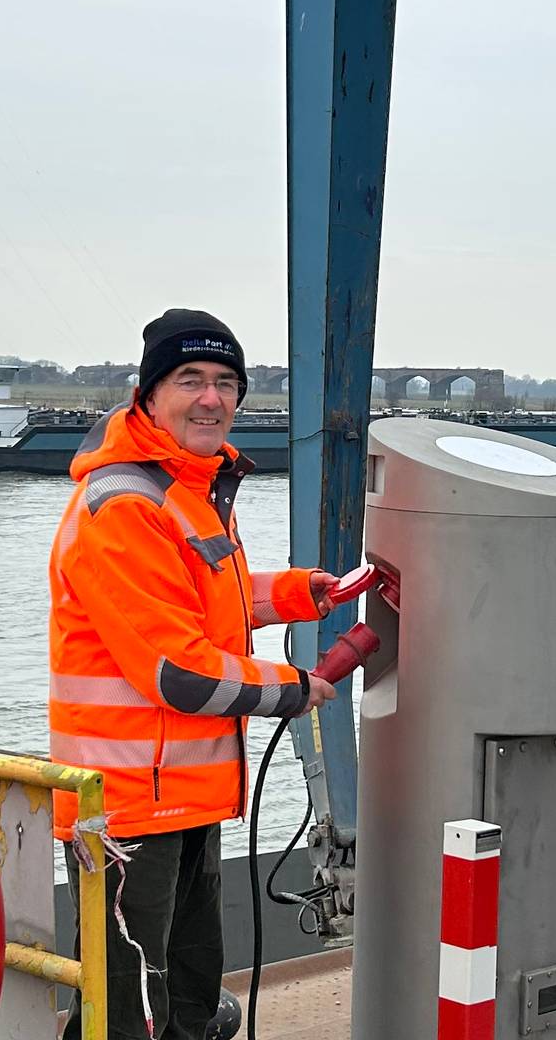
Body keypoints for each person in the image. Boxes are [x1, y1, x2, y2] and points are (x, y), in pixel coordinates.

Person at [49, 308, 340, 1040]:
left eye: (226, 382)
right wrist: (293, 689)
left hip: (183, 799)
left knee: (189, 1000)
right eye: (190, 380)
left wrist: (299, 593)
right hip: (126, 813)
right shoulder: (126, 504)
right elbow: (177, 671)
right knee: (128, 1013)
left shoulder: (186, 491)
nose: (212, 398)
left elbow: (203, 603)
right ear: (149, 395)